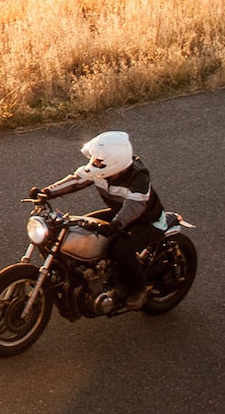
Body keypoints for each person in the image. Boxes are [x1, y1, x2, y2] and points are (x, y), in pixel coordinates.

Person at [32, 130, 160, 310]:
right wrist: (47, 192)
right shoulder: (100, 169)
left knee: (120, 249)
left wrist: (117, 224)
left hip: (147, 221)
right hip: (118, 213)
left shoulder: (139, 177)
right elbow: (76, 180)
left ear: (114, 162)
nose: (94, 162)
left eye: (99, 160)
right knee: (79, 231)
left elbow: (134, 207)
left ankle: (137, 290)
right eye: (95, 158)